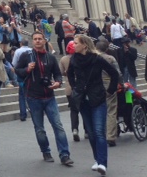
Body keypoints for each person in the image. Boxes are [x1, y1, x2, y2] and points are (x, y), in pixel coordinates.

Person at [15, 31, 73, 166]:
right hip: (33, 97)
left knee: (58, 126)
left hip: (49, 96)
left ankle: (64, 155)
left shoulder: (50, 58)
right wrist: (27, 70)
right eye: (35, 39)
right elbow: (17, 71)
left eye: (40, 39)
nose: (37, 41)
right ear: (32, 41)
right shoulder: (26, 56)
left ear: (44, 41)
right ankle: (45, 151)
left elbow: (58, 74)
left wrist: (58, 82)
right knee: (39, 128)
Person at [67, 35, 119, 176]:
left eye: (76, 43)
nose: (73, 45)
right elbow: (69, 74)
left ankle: (102, 163)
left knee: (99, 131)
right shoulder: (74, 59)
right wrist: (75, 87)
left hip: (98, 98)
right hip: (83, 100)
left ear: (84, 45)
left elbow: (114, 74)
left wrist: (110, 90)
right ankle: (97, 159)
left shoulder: (97, 59)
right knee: (91, 132)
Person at [11, 38, 32, 121]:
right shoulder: (32, 50)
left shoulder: (18, 51)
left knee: (22, 96)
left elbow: (14, 64)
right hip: (31, 75)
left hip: (21, 76)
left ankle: (23, 114)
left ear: (21, 44)